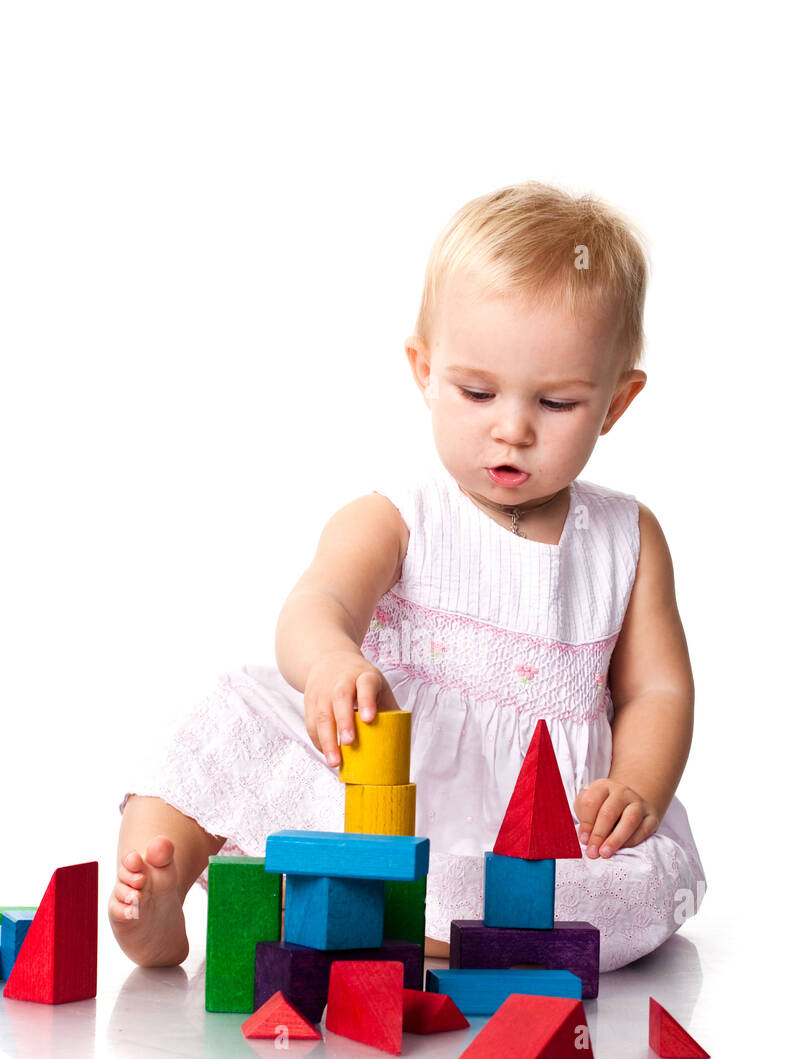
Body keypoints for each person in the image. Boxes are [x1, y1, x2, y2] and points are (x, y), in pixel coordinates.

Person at [110, 180, 706, 972]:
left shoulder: (627, 538)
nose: (512, 427)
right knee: (229, 716)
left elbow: (656, 691)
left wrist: (637, 783)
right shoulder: (396, 517)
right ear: (424, 370)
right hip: (381, 788)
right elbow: (316, 602)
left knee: (592, 901)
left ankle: (371, 928)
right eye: (477, 391)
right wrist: (331, 661)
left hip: (534, 829)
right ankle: (163, 884)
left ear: (616, 404)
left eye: (558, 402)